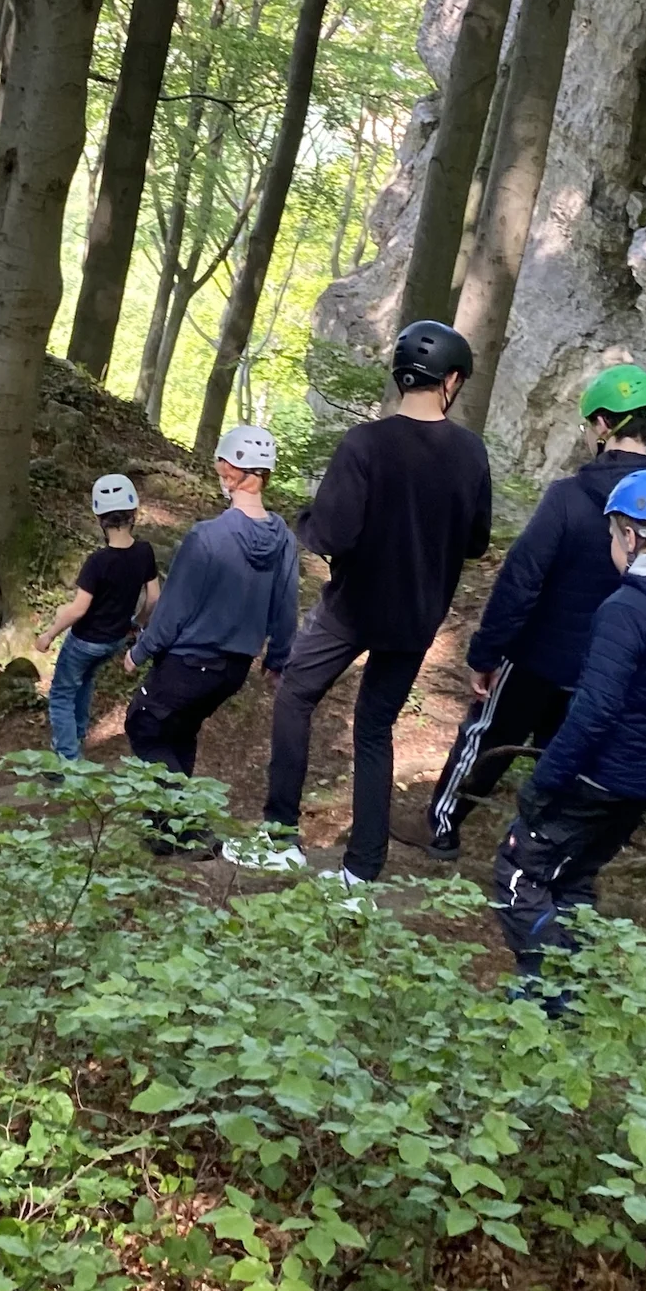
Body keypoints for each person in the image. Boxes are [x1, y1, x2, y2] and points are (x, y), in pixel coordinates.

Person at [251, 319, 491, 886]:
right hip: (417, 615)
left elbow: (329, 534)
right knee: (375, 727)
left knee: (295, 696)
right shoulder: (470, 452)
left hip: (352, 606)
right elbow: (477, 542)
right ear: (452, 380)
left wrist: (311, 520)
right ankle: (361, 871)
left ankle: (281, 836)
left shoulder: (365, 444)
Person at [431, 361, 646, 862]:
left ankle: (444, 825)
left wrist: (486, 651)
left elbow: (521, 579)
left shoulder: (568, 498)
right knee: (567, 757)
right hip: (608, 673)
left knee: (487, 738)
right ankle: (540, 848)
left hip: (535, 657)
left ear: (600, 425)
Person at [492, 469, 646, 987]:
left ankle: (554, 995)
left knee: (518, 875)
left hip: (600, 777)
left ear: (633, 538)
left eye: (613, 533)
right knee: (572, 877)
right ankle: (579, 995)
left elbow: (593, 713)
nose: (610, 544)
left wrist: (543, 784)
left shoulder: (627, 609)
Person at [123, 425, 297, 797]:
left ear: (232, 471)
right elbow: (285, 605)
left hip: (189, 662)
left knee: (144, 725)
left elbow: (173, 609)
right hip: (233, 669)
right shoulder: (282, 537)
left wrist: (139, 652)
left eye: (221, 464)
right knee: (179, 731)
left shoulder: (207, 537)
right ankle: (168, 837)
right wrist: (277, 659)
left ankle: (190, 822)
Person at [41, 475, 160, 759]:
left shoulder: (98, 562)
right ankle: (77, 737)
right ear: (134, 513)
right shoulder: (144, 552)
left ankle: (69, 761)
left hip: (84, 641)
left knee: (61, 695)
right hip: (115, 640)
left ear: (99, 517)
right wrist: (137, 623)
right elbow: (154, 597)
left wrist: (48, 634)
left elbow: (78, 609)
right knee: (85, 682)